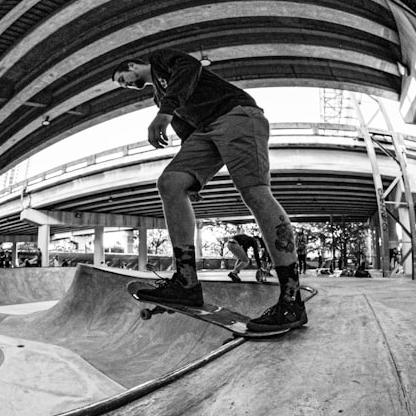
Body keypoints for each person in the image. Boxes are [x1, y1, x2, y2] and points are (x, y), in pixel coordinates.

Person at [112, 49, 307, 331]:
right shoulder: (160, 97)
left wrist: (164, 113)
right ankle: (187, 283)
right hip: (204, 132)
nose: (126, 85)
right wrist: (193, 175)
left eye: (123, 78)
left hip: (237, 115)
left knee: (254, 192)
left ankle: (292, 301)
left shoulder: (160, 60)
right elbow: (187, 134)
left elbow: (189, 67)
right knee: (170, 183)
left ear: (132, 65)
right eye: (122, 85)